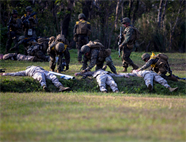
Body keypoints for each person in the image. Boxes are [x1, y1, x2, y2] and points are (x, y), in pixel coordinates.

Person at [0, 66, 70, 92]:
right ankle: (44, 86)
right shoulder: (26, 71)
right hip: (36, 73)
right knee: (41, 78)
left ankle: (61, 87)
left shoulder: (40, 67)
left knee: (53, 77)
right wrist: (5, 74)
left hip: (44, 72)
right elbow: (16, 73)